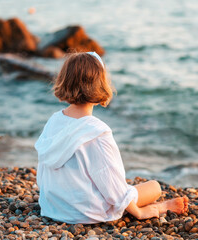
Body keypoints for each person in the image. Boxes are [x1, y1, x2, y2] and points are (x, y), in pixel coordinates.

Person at [35, 52, 188, 224]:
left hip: (53, 206)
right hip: (85, 212)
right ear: (99, 85)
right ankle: (161, 206)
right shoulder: (97, 132)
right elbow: (112, 185)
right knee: (154, 187)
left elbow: (42, 172)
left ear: (64, 80)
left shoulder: (54, 120)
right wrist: (139, 212)